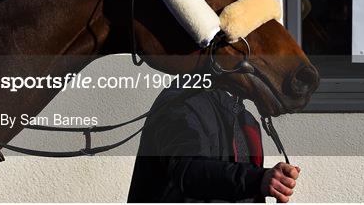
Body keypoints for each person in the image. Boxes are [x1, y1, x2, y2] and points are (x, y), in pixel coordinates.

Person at [127, 85, 300, 202]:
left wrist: (270, 181)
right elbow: (187, 170)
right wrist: (258, 178)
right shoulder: (182, 103)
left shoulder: (244, 116)